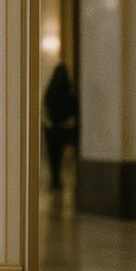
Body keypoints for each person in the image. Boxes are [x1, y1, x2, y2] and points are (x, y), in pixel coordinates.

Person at [42, 64, 79, 192]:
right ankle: (57, 178)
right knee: (60, 155)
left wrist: (49, 121)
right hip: (62, 128)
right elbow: (74, 109)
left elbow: (46, 107)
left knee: (52, 155)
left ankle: (55, 178)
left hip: (51, 128)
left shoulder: (50, 90)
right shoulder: (68, 91)